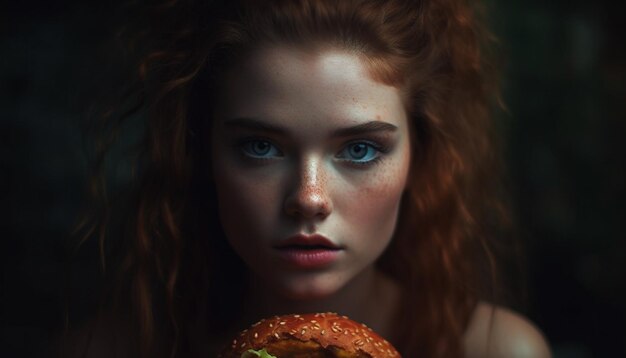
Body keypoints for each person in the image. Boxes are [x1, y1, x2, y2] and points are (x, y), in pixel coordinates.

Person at [67, 0, 551, 357]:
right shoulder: (108, 350)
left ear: (419, 159)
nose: (309, 198)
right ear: (203, 154)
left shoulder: (497, 351)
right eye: (261, 146)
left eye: (360, 149)